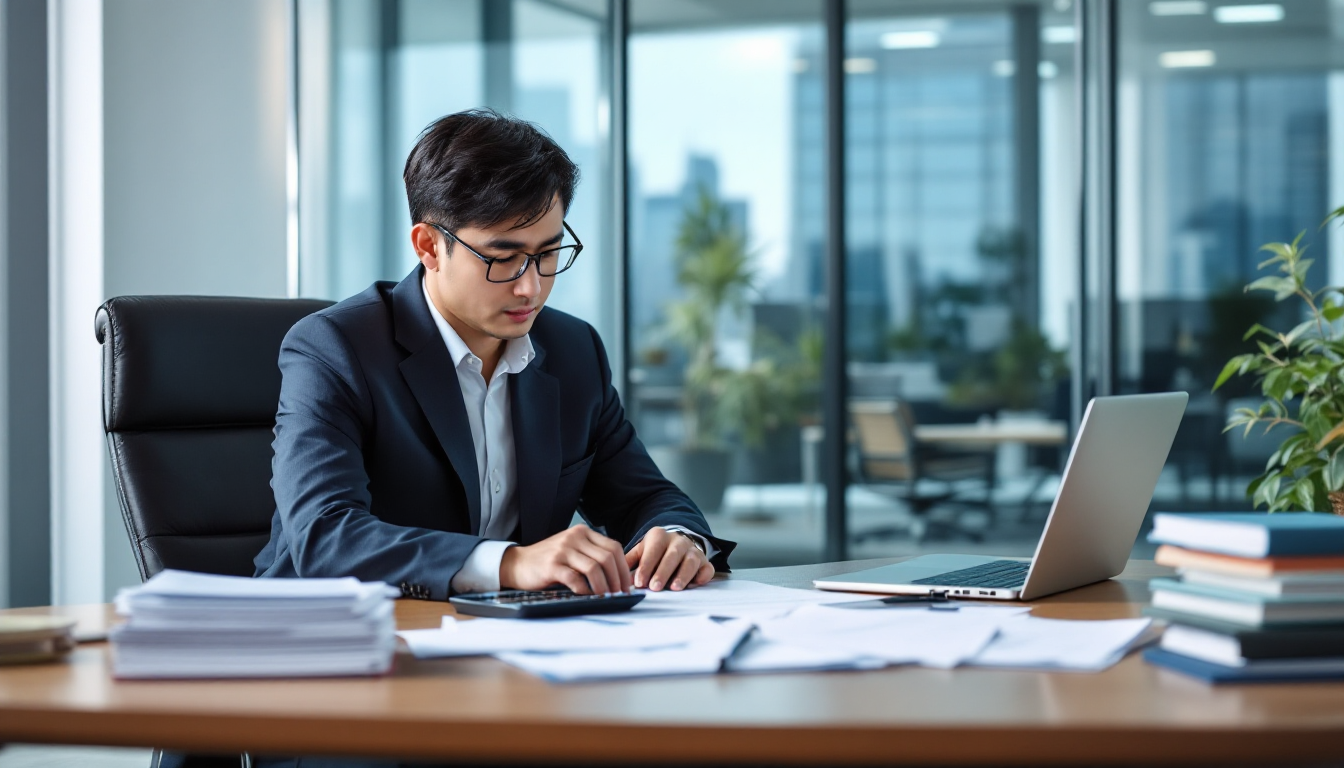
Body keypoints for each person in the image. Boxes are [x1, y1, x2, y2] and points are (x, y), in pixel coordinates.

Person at [253, 109, 734, 600]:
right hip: (330, 641)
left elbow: (646, 495)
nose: (531, 286)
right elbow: (326, 535)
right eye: (503, 258)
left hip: (503, 641)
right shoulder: (335, 349)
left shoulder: (573, 351)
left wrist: (676, 539)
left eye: (548, 254)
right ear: (429, 246)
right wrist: (510, 564)